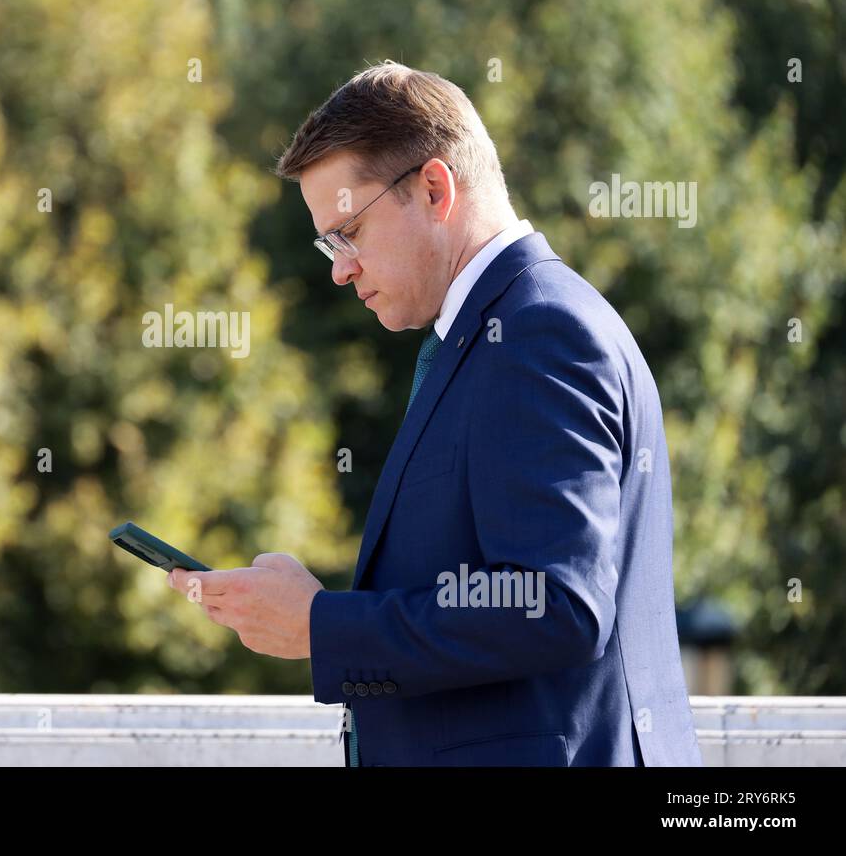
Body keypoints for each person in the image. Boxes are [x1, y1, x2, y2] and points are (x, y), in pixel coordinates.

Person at [166, 61, 702, 767]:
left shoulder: (539, 333)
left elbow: (559, 604)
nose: (339, 268)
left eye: (349, 230)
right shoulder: (505, 329)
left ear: (433, 187)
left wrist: (325, 627)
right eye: (329, 242)